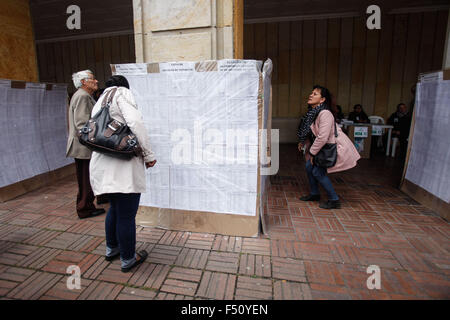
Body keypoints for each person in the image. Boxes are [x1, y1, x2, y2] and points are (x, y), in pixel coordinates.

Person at [89, 75, 157, 273]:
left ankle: (112, 249)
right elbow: (136, 123)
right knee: (126, 214)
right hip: (123, 165)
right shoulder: (122, 93)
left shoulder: (100, 100)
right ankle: (128, 258)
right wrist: (148, 154)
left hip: (102, 163)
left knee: (115, 209)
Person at [297, 85, 360, 209]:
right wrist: (303, 142)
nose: (311, 95)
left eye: (315, 94)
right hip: (323, 146)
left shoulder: (325, 113)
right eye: (311, 93)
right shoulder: (313, 113)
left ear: (322, 100)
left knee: (317, 171)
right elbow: (312, 132)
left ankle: (334, 200)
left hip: (331, 146)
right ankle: (315, 193)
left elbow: (322, 137)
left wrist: (313, 154)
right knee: (309, 166)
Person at [66, 70, 106, 219]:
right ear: (83, 81)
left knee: (86, 177)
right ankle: (85, 208)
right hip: (83, 147)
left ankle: (87, 205)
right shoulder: (82, 96)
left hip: (83, 146)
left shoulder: (82, 95)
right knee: (86, 178)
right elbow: (82, 124)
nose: (96, 81)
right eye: (92, 79)